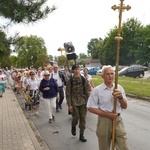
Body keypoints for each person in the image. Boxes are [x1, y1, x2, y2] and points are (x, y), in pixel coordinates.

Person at [87, 65, 128, 150]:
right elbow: (91, 108)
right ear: (102, 76)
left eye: (112, 74)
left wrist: (120, 98)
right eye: (107, 74)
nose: (110, 76)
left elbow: (125, 106)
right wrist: (108, 115)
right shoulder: (97, 90)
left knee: (123, 146)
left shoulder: (119, 88)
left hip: (117, 119)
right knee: (104, 147)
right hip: (104, 120)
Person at [66, 64, 90, 142]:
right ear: (73, 70)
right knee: (75, 118)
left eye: (78, 69)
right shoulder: (70, 81)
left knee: (83, 119)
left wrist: (89, 102)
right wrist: (69, 105)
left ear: (80, 70)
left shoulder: (83, 79)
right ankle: (73, 126)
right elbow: (68, 94)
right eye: (75, 69)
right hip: (74, 102)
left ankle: (81, 134)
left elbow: (87, 90)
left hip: (83, 102)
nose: (77, 70)